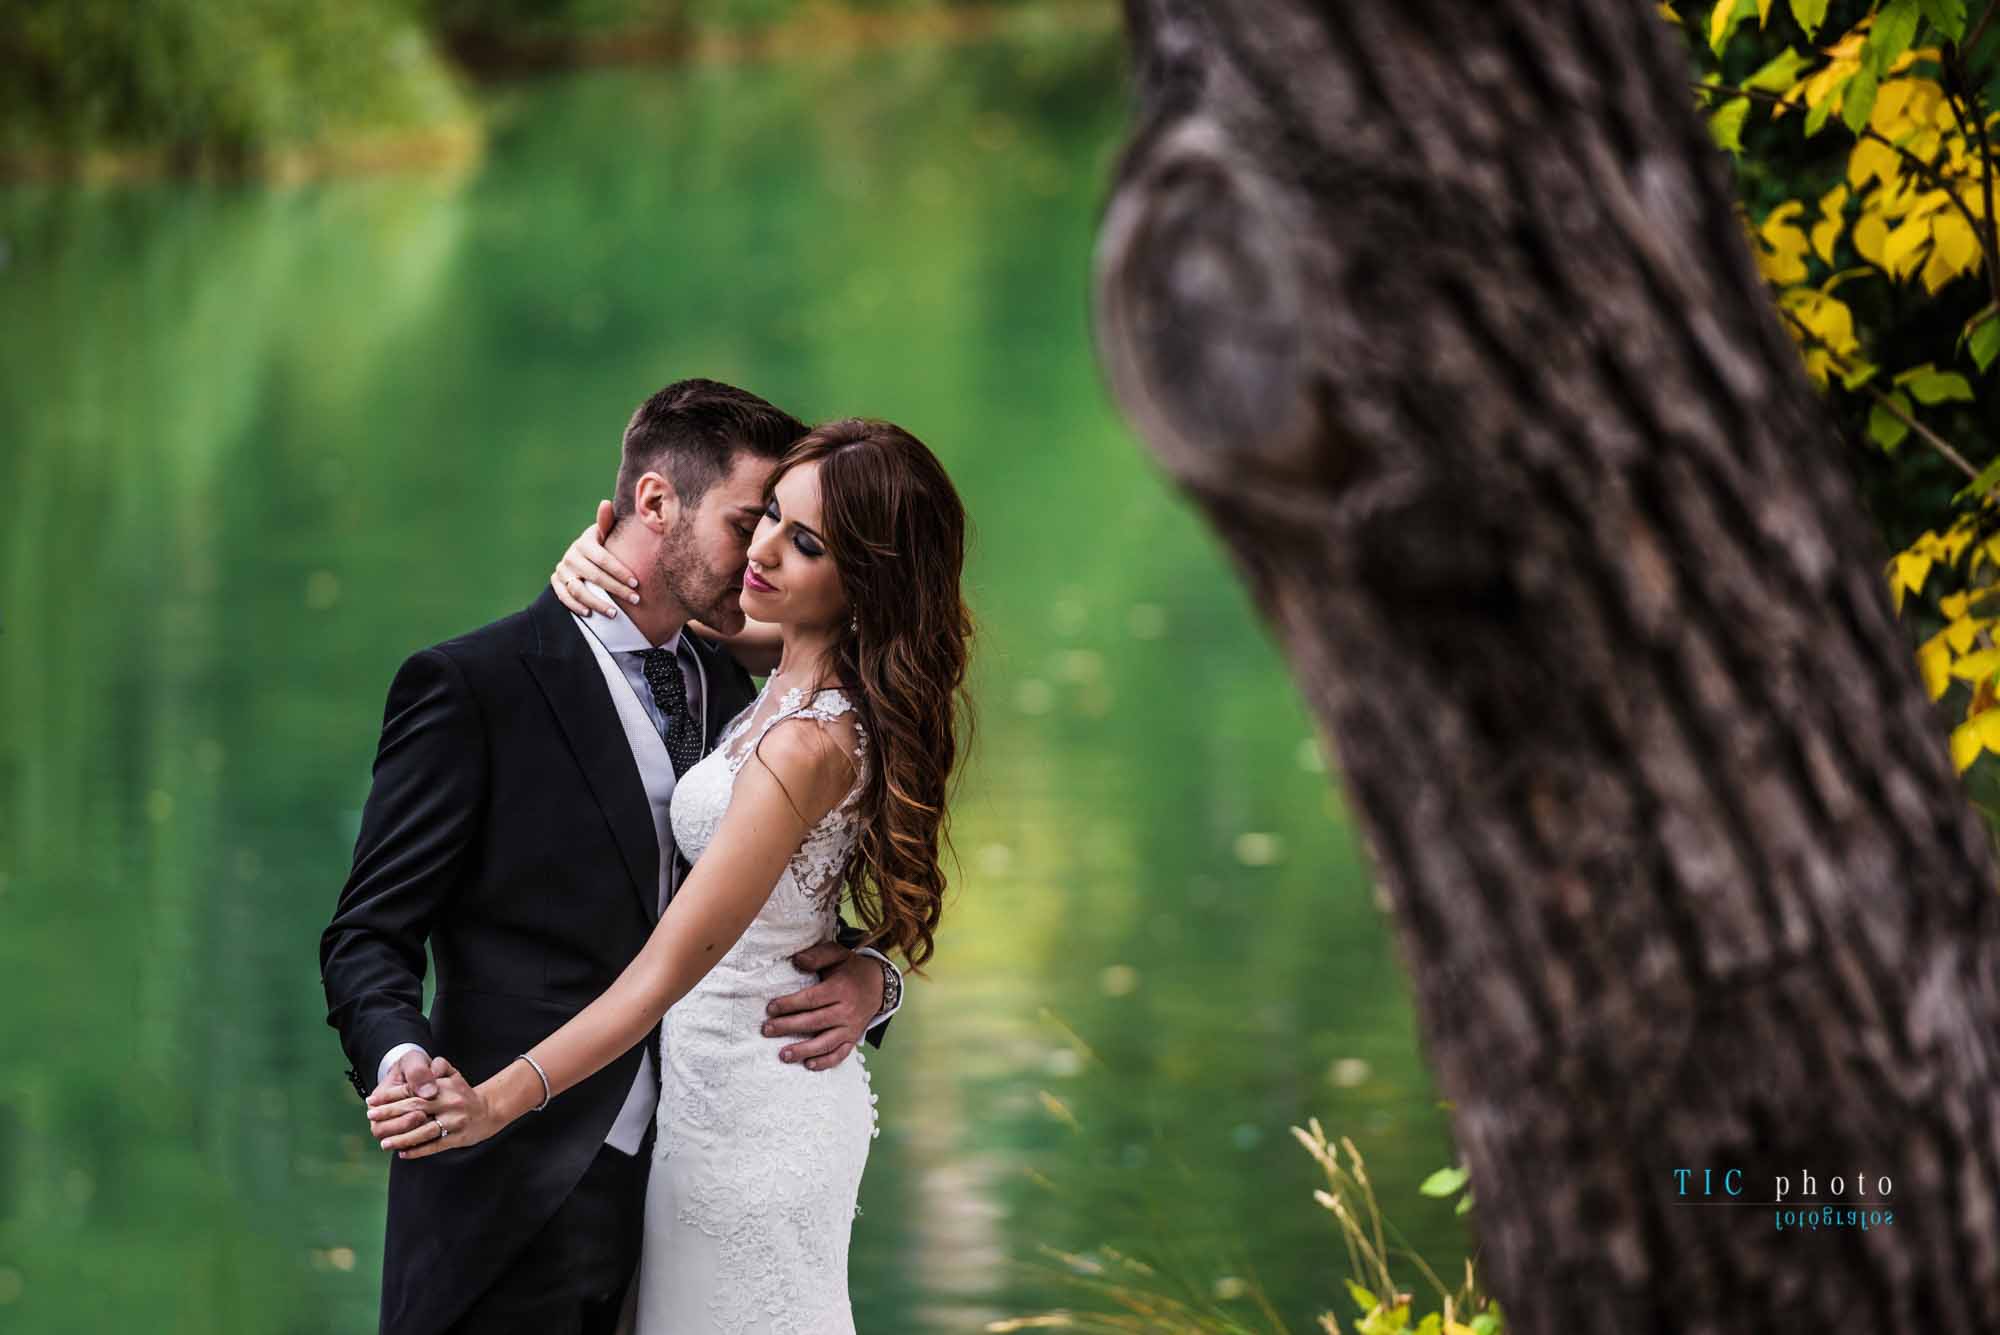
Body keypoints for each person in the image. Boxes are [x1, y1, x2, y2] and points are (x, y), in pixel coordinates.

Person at [320, 381, 913, 1335]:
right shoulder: (475, 688)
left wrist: (873, 978)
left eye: (783, 528)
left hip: (709, 1167)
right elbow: (367, 935)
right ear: (651, 505)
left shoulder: (754, 685)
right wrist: (403, 1060)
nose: (762, 551)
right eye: (747, 521)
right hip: (511, 1184)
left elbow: (783, 901)